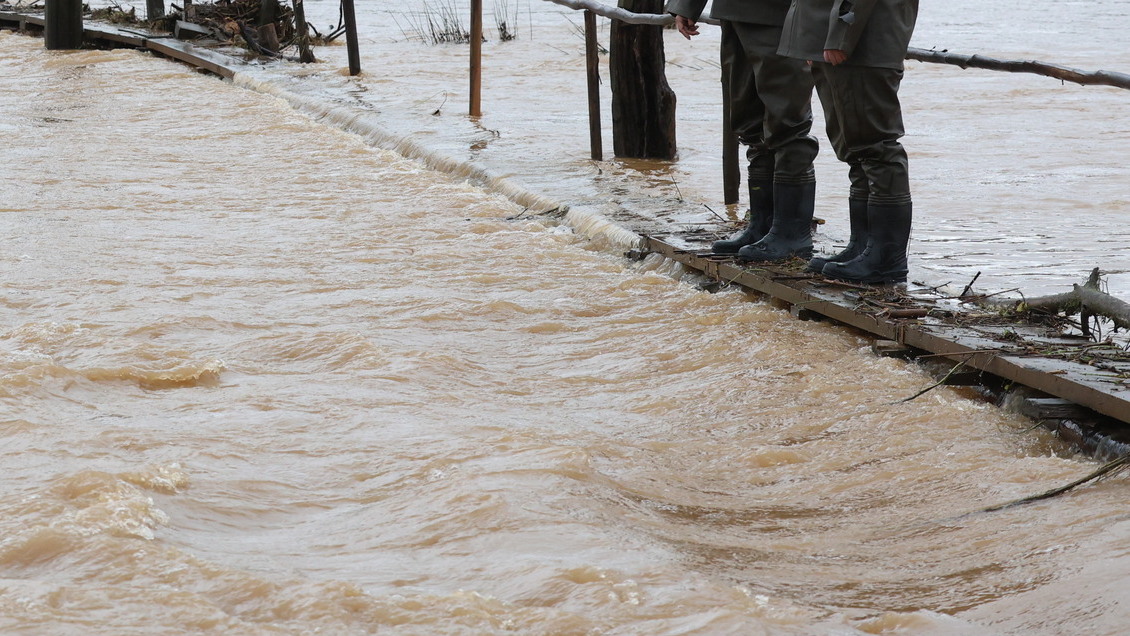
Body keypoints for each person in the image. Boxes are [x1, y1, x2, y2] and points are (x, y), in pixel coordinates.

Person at [778, 0, 919, 283]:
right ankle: (863, 247)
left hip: (864, 42)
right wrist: (811, 38)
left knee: (876, 147)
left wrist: (840, 36)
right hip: (838, 39)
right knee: (854, 149)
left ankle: (886, 259)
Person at [667, 0, 819, 261]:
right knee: (750, 120)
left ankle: (792, 233)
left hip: (785, 14)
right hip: (734, 12)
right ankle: (763, 225)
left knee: (787, 121)